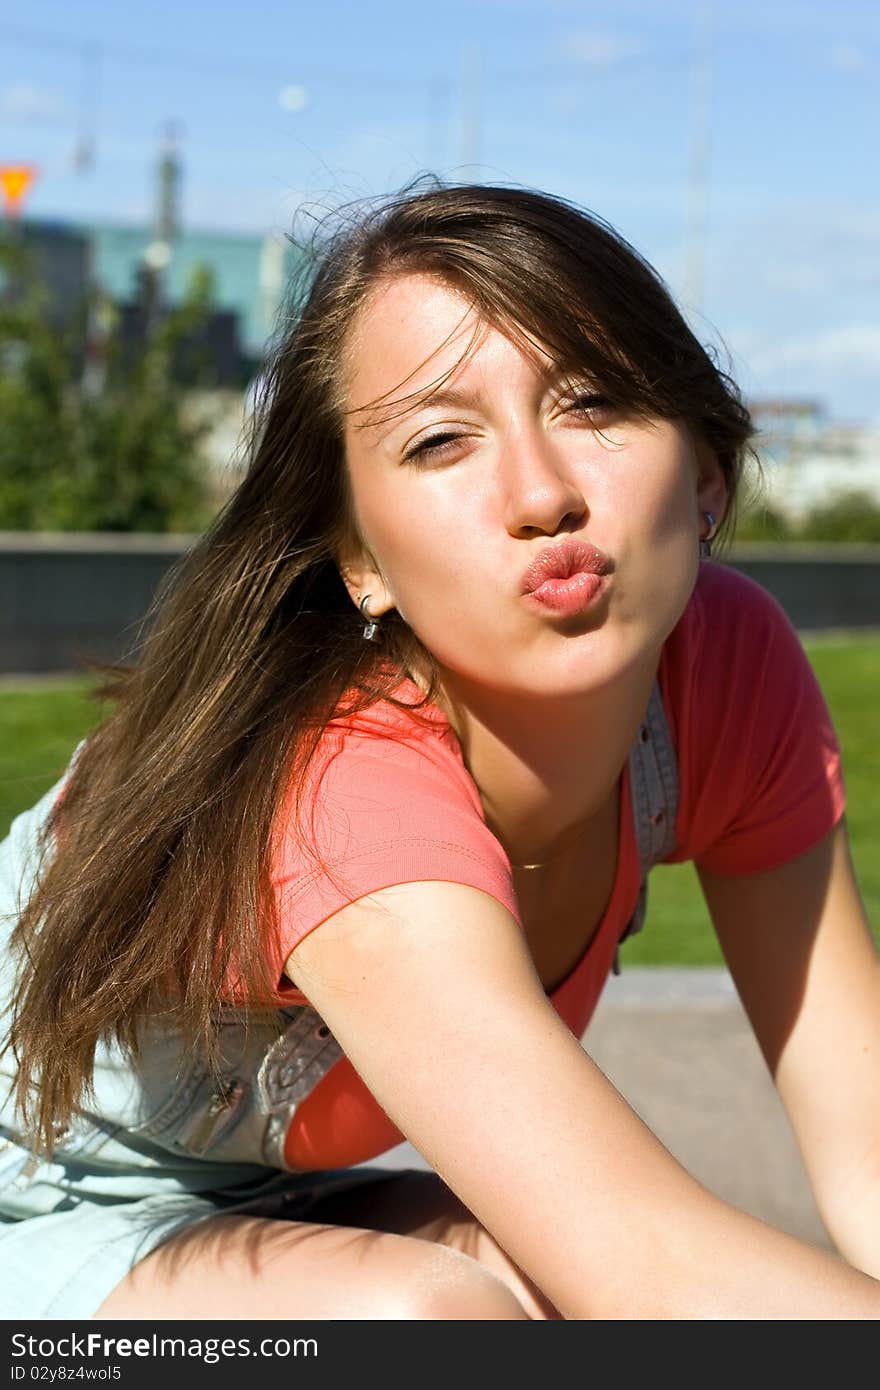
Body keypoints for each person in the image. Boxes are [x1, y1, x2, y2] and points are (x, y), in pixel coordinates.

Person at [2, 181, 880, 1322]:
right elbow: (649, 1264)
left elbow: (861, 1133)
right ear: (357, 555)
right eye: (439, 440)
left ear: (705, 473)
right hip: (32, 1204)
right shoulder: (339, 782)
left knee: (537, 1290)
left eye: (593, 401)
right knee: (430, 1324)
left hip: (260, 1200)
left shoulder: (730, 673)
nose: (539, 493)